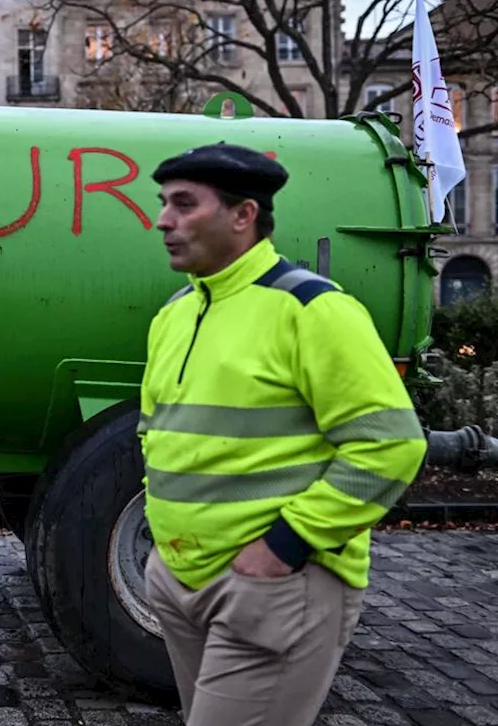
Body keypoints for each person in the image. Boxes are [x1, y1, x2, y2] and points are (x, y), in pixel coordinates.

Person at [136, 142, 428, 726]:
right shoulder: (175, 312)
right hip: (180, 580)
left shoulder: (312, 309)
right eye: (164, 203)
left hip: (271, 586)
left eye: (185, 204)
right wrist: (163, 564)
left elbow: (392, 444)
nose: (163, 220)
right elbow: (157, 433)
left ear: (244, 215)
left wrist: (283, 549)